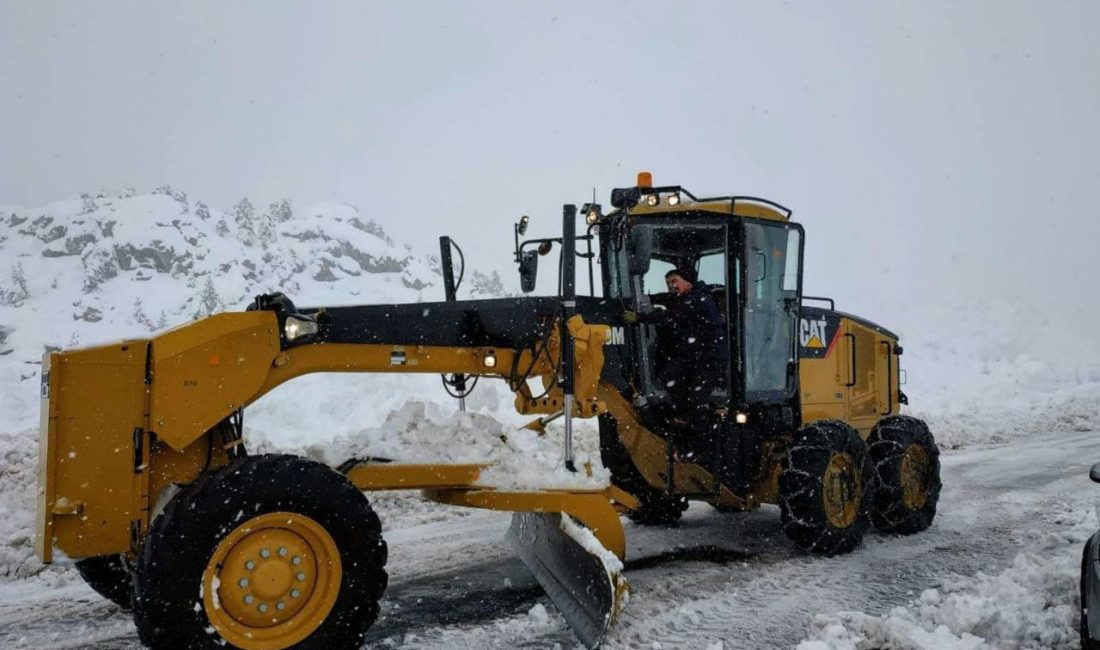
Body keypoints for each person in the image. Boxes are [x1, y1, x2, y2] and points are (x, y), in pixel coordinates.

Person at [625, 267, 724, 458]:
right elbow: (668, 299)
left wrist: (640, 318)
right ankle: (682, 418)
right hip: (694, 357)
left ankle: (698, 449)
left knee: (697, 402)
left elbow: (672, 314)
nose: (672, 286)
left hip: (711, 358)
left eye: (675, 281)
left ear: (688, 281)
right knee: (670, 374)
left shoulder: (698, 299)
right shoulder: (685, 298)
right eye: (669, 283)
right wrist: (650, 299)